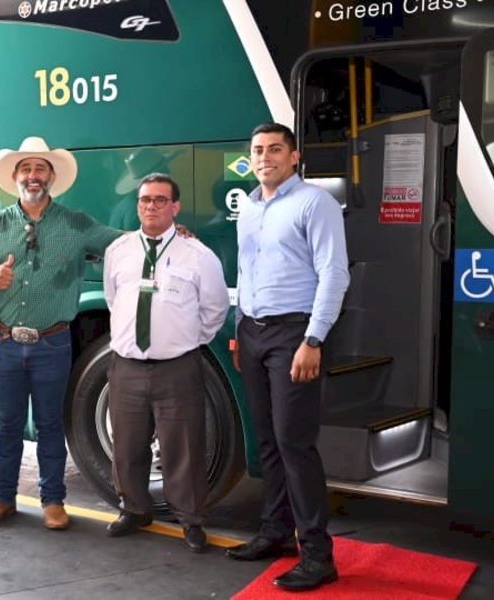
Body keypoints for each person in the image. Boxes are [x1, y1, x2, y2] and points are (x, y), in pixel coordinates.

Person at [0, 136, 123, 530]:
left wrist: (167, 235)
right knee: (8, 424)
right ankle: (2, 498)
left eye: (40, 168)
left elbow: (122, 244)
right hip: (5, 342)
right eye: (26, 169)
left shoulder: (76, 223)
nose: (33, 175)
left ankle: (53, 501)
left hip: (52, 343)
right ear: (15, 177)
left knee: (50, 424)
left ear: (52, 177)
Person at [226, 122, 349, 592]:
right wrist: (240, 331)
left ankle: (318, 556)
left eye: (275, 149)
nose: (265, 157)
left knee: (295, 443)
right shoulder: (249, 207)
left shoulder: (314, 203)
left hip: (294, 334)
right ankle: (275, 532)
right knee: (267, 441)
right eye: (258, 150)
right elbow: (247, 271)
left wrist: (313, 340)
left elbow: (334, 273)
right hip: (252, 332)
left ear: (294, 157)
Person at [103, 173, 229, 553]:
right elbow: (113, 299)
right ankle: (134, 509)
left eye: (160, 200)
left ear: (176, 207)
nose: (151, 206)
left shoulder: (198, 255)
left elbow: (215, 308)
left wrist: (182, 341)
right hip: (126, 366)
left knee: (183, 447)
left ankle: (190, 518)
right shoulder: (119, 251)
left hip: (178, 367)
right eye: (145, 200)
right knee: (127, 445)